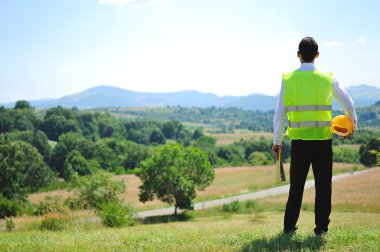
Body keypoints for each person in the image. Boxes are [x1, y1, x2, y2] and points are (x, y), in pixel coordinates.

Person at [272, 36, 357, 235]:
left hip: (299, 143)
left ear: (298, 55)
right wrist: (352, 126)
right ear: (317, 55)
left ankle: (288, 228)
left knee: (296, 187)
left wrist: (277, 140)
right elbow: (349, 104)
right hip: (322, 142)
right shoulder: (328, 78)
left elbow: (280, 112)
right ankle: (321, 229)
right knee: (323, 187)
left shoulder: (288, 78)